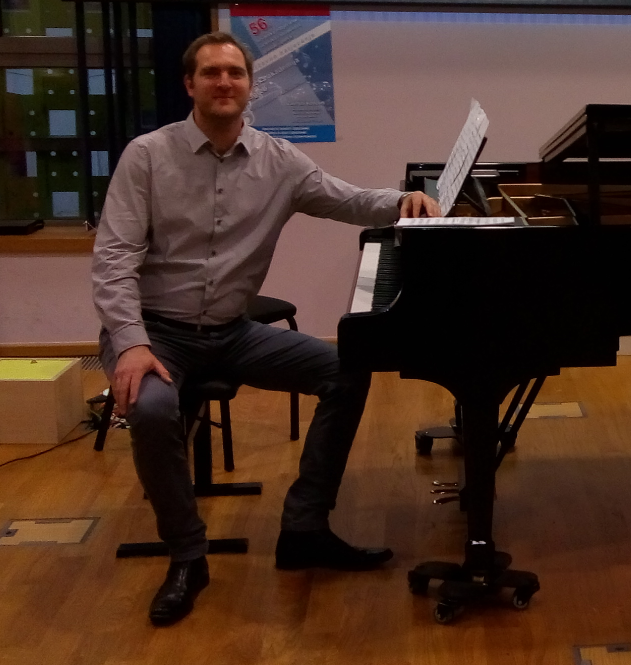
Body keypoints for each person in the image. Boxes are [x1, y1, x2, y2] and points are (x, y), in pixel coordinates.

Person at [92, 30, 439, 627]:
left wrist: (406, 200)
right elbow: (113, 259)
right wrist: (130, 344)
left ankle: (305, 527)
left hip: (232, 332)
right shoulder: (146, 156)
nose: (224, 82)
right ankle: (188, 555)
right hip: (156, 333)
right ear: (190, 84)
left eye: (235, 73)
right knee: (150, 410)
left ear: (250, 86)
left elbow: (348, 200)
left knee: (347, 369)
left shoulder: (279, 161)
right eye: (211, 73)